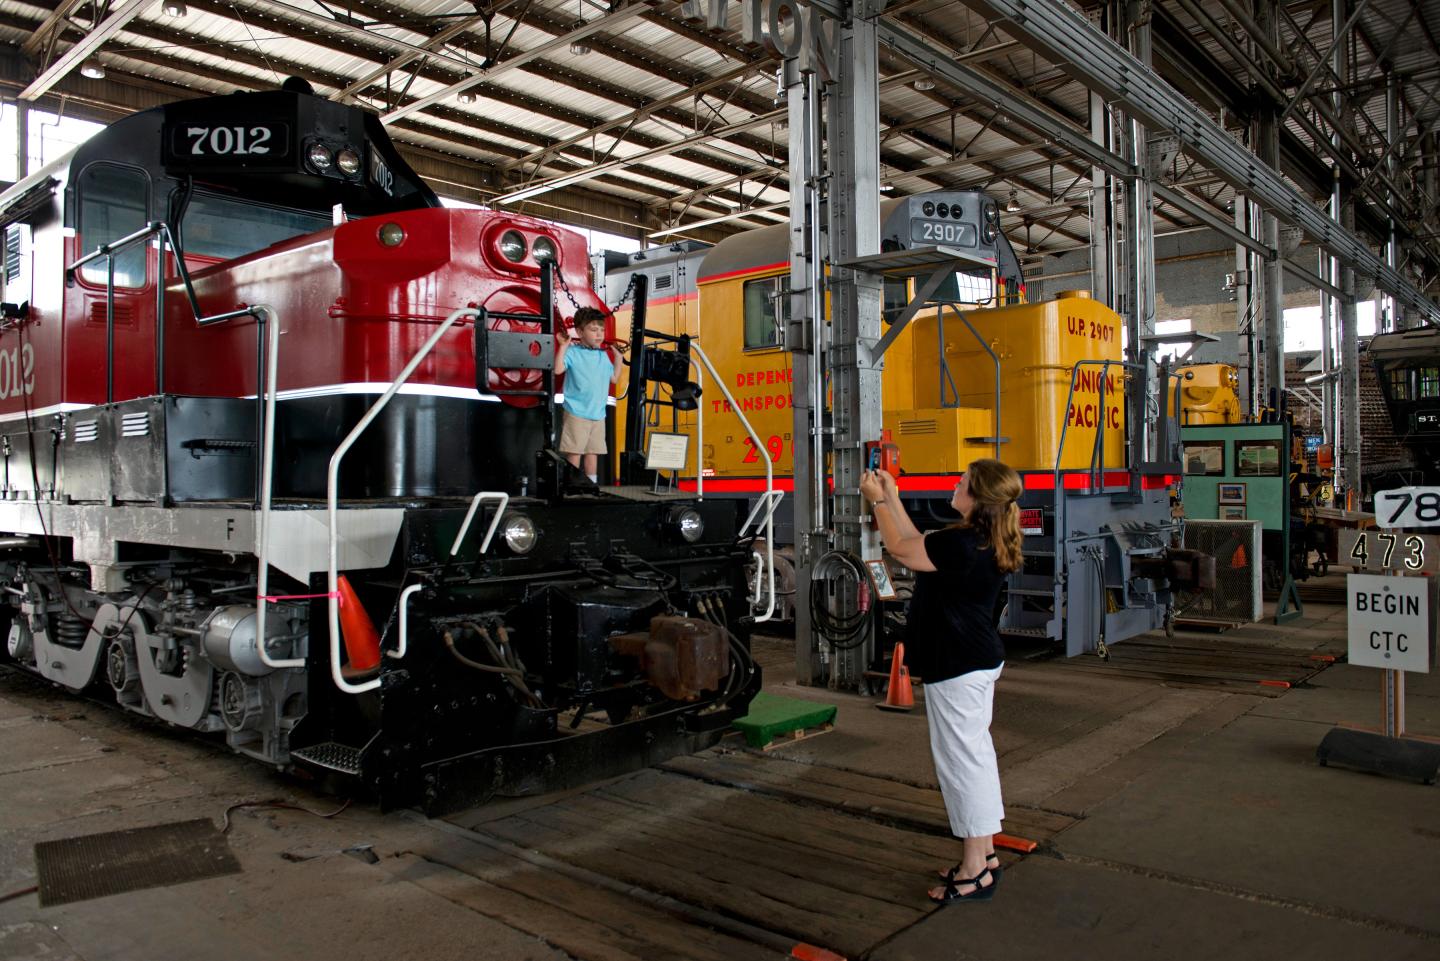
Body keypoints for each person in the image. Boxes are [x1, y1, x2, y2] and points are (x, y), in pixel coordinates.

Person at [859, 459, 1024, 905]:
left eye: (962, 481)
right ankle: (984, 855)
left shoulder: (962, 544)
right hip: (976, 659)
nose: (955, 484)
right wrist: (892, 495)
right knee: (977, 757)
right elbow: (916, 542)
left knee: (962, 766)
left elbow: (898, 547)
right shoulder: (977, 539)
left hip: (958, 665)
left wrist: (876, 503)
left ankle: (974, 871)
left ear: (976, 496)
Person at [555, 307, 622, 483]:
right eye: (593, 330)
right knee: (575, 452)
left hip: (598, 414)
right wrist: (563, 347)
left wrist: (619, 360)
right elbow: (558, 369)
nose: (599, 334)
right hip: (576, 412)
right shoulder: (573, 352)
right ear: (579, 332)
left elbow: (614, 378)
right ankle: (572, 485)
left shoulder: (602, 356)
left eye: (601, 330)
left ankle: (591, 485)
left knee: (592, 452)